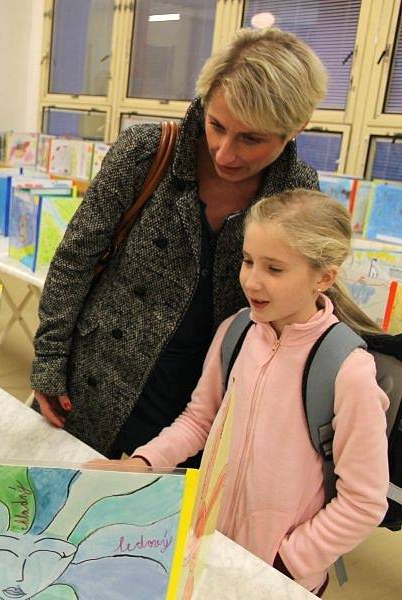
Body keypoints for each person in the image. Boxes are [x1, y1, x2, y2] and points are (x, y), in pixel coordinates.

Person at [30, 28, 328, 461]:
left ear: (296, 128)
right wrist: (49, 361)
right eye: (217, 125)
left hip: (202, 406)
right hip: (94, 380)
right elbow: (75, 258)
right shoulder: (149, 152)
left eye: (251, 138)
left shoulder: (296, 191)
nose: (225, 153)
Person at [114, 190, 389, 595]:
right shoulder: (236, 332)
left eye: (274, 269)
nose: (251, 280)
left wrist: (287, 561)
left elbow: (365, 501)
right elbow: (199, 421)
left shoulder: (348, 370)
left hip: (277, 578)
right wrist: (144, 462)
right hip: (209, 548)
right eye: (247, 261)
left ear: (324, 277)